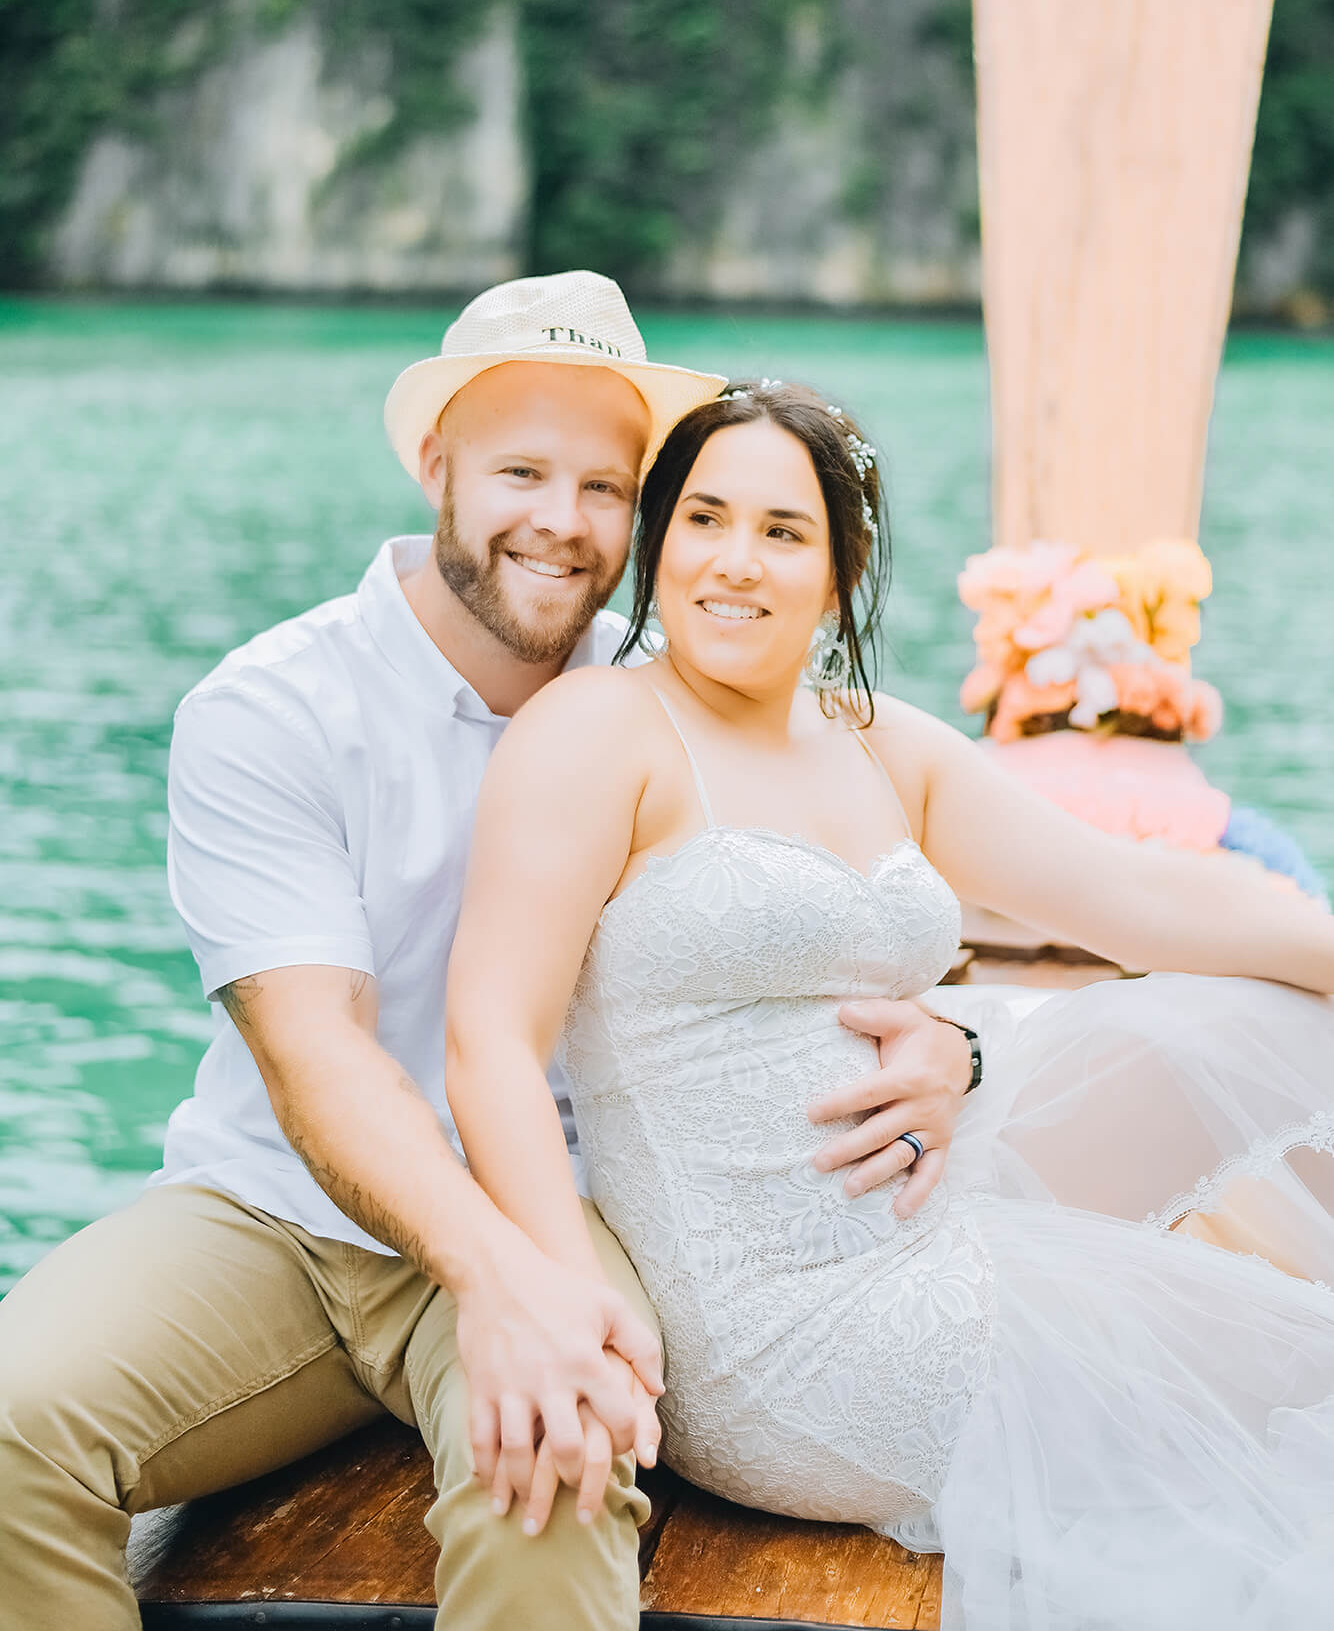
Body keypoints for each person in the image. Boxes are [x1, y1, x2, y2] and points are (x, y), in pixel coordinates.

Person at [0, 279, 981, 1631]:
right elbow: (314, 1055)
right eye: (521, 470)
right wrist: (503, 1283)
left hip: (559, 1205)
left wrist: (954, 1042)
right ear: (435, 466)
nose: (560, 521)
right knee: (10, 1431)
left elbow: (858, 888)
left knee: (554, 1479)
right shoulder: (273, 710)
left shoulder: (681, 690)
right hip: (277, 1214)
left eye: (602, 486)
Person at [446, 379, 1334, 1630]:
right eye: (701, 518)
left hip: (936, 1213)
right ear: (658, 542)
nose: (731, 562)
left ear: (837, 570)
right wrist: (552, 1297)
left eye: (780, 530)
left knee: (1285, 1019)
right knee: (1303, 1374)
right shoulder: (598, 733)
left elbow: (1128, 893)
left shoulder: (880, 742)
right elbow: (488, 1038)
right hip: (786, 1338)